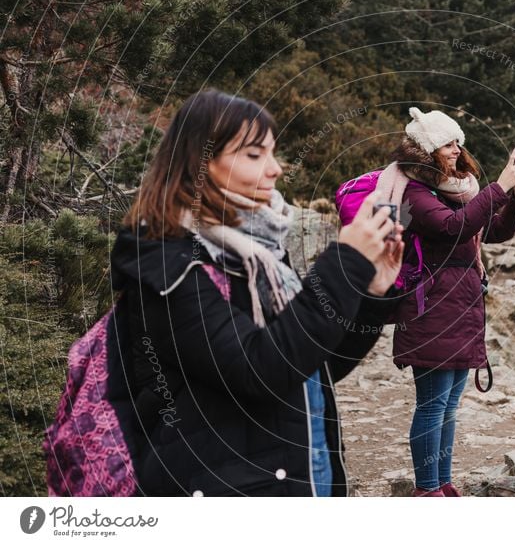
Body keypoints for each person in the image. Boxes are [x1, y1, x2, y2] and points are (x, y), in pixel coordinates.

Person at [110, 89, 404, 496]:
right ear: (200, 163)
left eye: (273, 152)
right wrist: (344, 263)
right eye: (254, 155)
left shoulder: (256, 251)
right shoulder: (167, 262)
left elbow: (312, 367)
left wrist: (371, 294)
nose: (276, 169)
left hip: (298, 472)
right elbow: (261, 369)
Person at [383, 107, 515, 497]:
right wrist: (497, 188)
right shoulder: (415, 193)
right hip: (431, 307)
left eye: (457, 142)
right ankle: (426, 489)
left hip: (460, 305)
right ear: (429, 148)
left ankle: (443, 484)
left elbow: (491, 231)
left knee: (449, 406)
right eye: (449, 143)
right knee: (432, 406)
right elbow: (455, 227)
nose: (457, 149)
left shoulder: (457, 188)